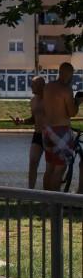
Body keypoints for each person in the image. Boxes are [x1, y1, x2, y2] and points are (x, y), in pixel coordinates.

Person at [40, 62, 81, 191]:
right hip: (61, 130)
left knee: (49, 167)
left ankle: (46, 200)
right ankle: (55, 204)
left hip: (47, 130)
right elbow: (71, 112)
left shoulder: (47, 87)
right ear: (68, 74)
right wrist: (78, 102)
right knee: (60, 168)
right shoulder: (66, 90)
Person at [13, 75, 46, 189]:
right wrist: (21, 121)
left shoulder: (50, 99)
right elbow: (33, 119)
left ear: (42, 86)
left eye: (33, 84)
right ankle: (30, 191)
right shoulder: (33, 101)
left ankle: (49, 192)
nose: (31, 86)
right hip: (37, 135)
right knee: (33, 162)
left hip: (50, 135)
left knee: (51, 166)